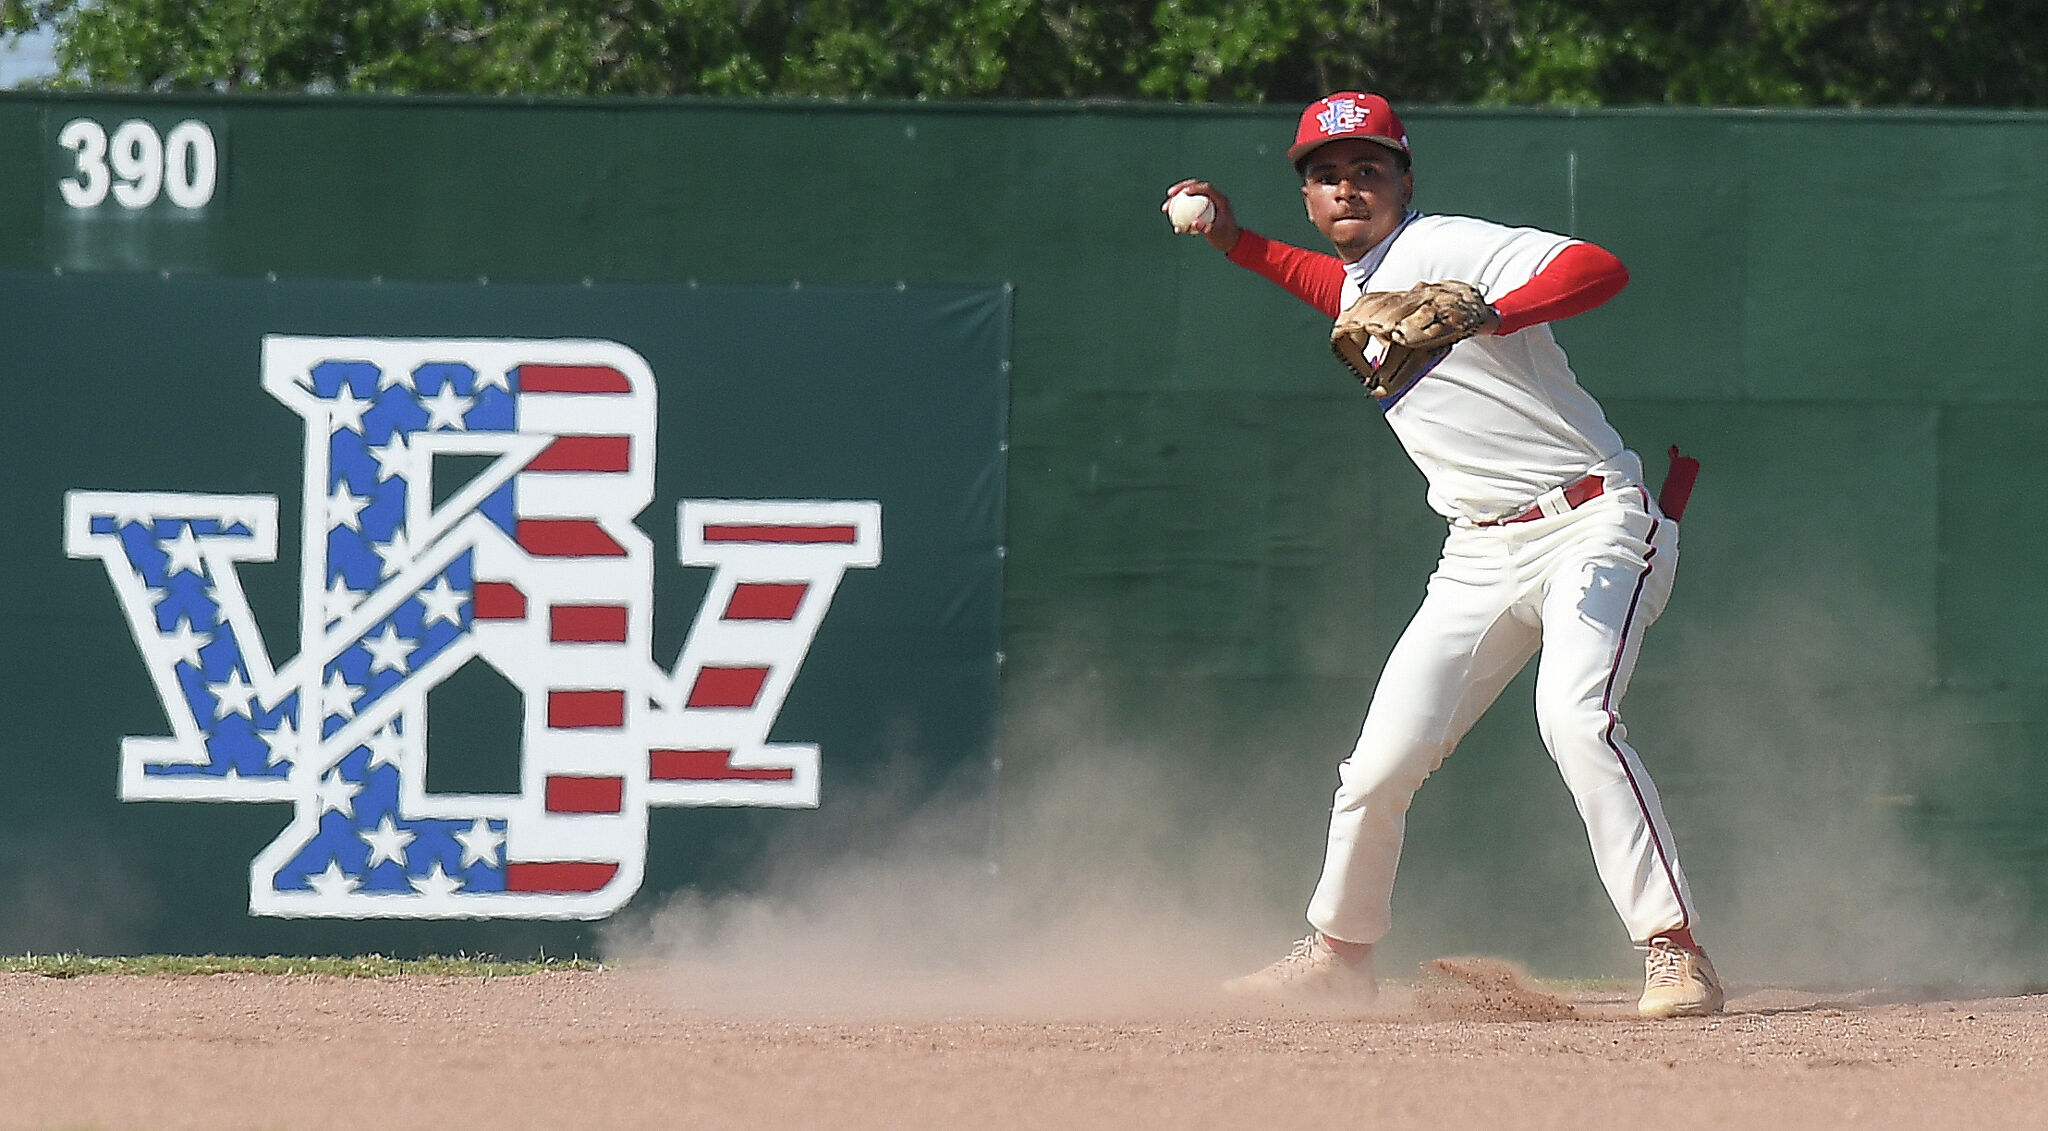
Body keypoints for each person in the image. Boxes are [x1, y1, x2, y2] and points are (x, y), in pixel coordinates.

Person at [1165, 92, 1722, 1019]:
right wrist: (1232, 239)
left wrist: (1493, 313)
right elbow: (1323, 285)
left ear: (1405, 179)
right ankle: (1340, 954)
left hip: (1593, 520)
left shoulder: (1454, 247)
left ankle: (1675, 952)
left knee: (1575, 718)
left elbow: (1600, 269)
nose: (1348, 187)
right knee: (1379, 763)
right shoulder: (1356, 281)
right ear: (1308, 195)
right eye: (1327, 175)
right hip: (1478, 550)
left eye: (1368, 169)